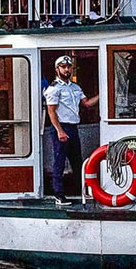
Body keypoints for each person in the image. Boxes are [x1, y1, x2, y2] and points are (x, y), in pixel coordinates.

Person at [45, 55, 99, 205]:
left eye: (69, 67)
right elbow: (51, 112)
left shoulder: (76, 87)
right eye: (63, 67)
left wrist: (103, 94)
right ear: (57, 69)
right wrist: (60, 131)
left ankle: (80, 191)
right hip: (61, 127)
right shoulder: (54, 89)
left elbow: (87, 103)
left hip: (73, 127)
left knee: (77, 162)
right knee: (59, 162)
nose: (67, 69)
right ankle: (58, 194)